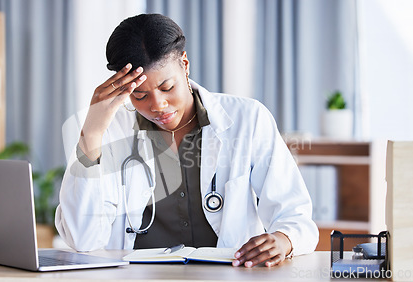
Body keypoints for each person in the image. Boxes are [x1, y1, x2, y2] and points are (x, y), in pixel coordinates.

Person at [56, 13, 318, 268]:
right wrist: (91, 133)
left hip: (229, 275)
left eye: (167, 88)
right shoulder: (110, 132)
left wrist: (284, 240)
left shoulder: (248, 119)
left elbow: (295, 215)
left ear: (184, 64)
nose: (158, 105)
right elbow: (83, 238)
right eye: (140, 96)